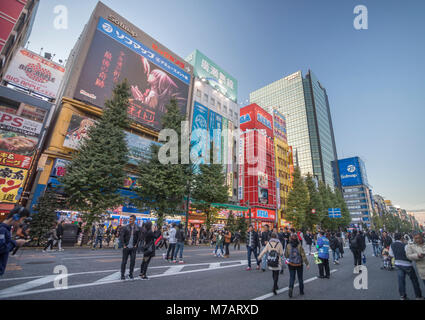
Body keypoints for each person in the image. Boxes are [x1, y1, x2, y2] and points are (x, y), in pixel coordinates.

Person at [390, 233, 423, 300]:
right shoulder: (405, 245)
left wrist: (397, 256)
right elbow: (408, 254)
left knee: (401, 280)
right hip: (407, 264)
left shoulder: (392, 245)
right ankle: (418, 296)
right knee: (414, 280)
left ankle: (403, 296)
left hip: (398, 264)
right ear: (401, 237)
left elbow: (391, 254)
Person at [0, 206, 30, 276]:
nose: (21, 223)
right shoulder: (2, 230)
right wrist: (15, 243)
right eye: (22, 219)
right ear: (16, 217)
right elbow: (1, 248)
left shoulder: (7, 229)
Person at [284, 233, 310, 298]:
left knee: (292, 277)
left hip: (291, 264)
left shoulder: (288, 245)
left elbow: (286, 255)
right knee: (300, 278)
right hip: (299, 264)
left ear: (290, 238)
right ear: (297, 238)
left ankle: (290, 288)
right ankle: (301, 291)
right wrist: (307, 263)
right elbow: (303, 255)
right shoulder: (299, 245)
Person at [120, 215, 140, 280]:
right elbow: (122, 236)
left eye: (131, 219)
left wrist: (136, 245)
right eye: (129, 219)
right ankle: (122, 275)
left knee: (133, 261)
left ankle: (131, 274)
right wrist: (124, 245)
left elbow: (139, 237)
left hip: (133, 248)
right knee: (124, 262)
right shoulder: (125, 227)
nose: (130, 220)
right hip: (126, 247)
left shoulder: (137, 228)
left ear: (134, 220)